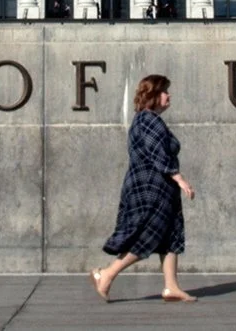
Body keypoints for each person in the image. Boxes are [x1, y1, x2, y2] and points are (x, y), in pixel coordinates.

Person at [90, 74, 197, 303]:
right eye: (165, 91)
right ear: (154, 95)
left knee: (169, 235)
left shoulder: (146, 120)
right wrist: (180, 179)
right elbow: (158, 153)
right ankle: (106, 274)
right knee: (149, 235)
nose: (169, 95)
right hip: (151, 188)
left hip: (156, 186)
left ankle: (171, 287)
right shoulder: (149, 120)